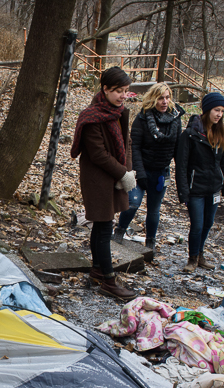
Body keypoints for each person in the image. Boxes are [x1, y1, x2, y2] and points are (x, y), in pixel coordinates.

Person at [70, 67, 137, 301]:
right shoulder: (91, 117)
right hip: (97, 179)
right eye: (118, 91)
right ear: (105, 89)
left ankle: (98, 268)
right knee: (104, 226)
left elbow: (127, 143)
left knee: (101, 226)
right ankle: (108, 281)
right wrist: (122, 174)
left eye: (125, 91)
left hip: (114, 176)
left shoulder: (119, 112)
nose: (122, 96)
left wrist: (126, 172)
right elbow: (97, 154)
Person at [115, 82, 185, 250]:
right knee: (133, 202)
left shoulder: (175, 120)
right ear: (153, 99)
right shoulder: (143, 118)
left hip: (161, 172)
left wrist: (182, 177)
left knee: (154, 209)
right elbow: (134, 147)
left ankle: (150, 242)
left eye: (167, 98)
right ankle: (119, 231)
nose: (164, 101)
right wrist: (140, 173)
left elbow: (178, 149)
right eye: (160, 98)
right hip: (141, 170)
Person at [175, 92, 224, 273]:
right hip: (195, 189)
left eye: (222, 111)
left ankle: (200, 255)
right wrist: (183, 192)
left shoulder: (220, 132)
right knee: (197, 225)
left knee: (208, 223)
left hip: (213, 188)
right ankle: (192, 258)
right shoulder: (190, 134)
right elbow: (181, 165)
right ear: (207, 110)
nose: (219, 114)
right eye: (216, 110)